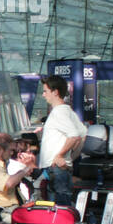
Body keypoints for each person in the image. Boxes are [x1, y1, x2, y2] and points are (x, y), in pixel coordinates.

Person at [34, 75, 85, 207]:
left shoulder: (59, 112)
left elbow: (74, 135)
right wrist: (71, 157)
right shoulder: (68, 111)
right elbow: (82, 134)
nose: (43, 94)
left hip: (56, 168)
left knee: (59, 208)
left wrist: (60, 155)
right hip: (60, 168)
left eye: (45, 91)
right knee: (63, 206)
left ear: (55, 92)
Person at [0, 133, 35, 218]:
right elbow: (9, 183)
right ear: (0, 149)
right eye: (10, 150)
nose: (12, 153)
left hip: (13, 208)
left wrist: (21, 172)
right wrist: (26, 169)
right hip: (7, 211)